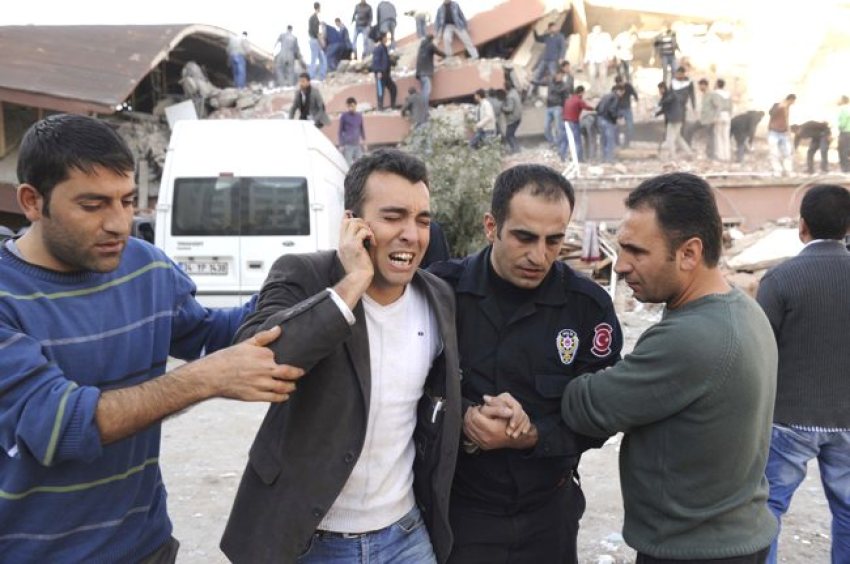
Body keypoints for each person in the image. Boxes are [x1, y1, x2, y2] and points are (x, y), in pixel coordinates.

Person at [0, 114, 302, 562]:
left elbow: (210, 334)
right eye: (93, 205)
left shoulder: (146, 266)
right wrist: (205, 379)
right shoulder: (7, 297)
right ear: (31, 201)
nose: (120, 224)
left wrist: (304, 282)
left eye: (126, 201)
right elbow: (61, 426)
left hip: (147, 547)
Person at [220, 149, 461, 564]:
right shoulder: (302, 274)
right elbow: (261, 359)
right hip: (310, 540)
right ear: (353, 222)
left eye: (422, 220)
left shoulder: (437, 296)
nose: (412, 234)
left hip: (405, 535)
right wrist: (351, 286)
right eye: (393, 217)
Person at [562, 171, 779, 562]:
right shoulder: (742, 310)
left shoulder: (694, 336)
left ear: (689, 254)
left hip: (696, 552)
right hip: (729, 538)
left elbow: (587, 406)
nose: (621, 266)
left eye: (636, 251)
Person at [428, 164, 622, 563]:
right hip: (461, 514)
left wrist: (534, 434)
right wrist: (464, 416)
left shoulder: (587, 307)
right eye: (524, 237)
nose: (539, 255)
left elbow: (604, 413)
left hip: (548, 514)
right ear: (490, 226)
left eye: (554, 240)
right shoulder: (440, 293)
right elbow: (403, 390)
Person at [756, 184, 850, 564]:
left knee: (768, 512)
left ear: (802, 226)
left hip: (789, 420)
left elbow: (759, 352)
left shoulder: (780, 279)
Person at [656, 81, 693, 160]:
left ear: (663, 88)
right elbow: (664, 108)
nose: (659, 91)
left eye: (660, 89)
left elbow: (666, 101)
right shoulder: (666, 96)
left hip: (674, 120)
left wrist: (659, 104)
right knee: (678, 138)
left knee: (670, 139)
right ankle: (689, 153)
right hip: (675, 119)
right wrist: (656, 114)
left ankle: (673, 156)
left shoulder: (671, 94)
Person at [531, 22, 566, 96]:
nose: (554, 29)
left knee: (554, 76)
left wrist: (561, 58)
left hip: (553, 60)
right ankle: (534, 91)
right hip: (545, 59)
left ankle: (556, 92)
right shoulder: (546, 36)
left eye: (555, 27)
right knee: (537, 74)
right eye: (552, 28)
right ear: (549, 29)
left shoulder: (560, 37)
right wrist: (534, 31)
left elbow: (563, 48)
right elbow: (538, 39)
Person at [560, 85, 594, 163]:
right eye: (583, 93)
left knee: (565, 141)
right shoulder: (579, 100)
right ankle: (579, 159)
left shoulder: (568, 100)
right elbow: (587, 107)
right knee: (577, 141)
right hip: (573, 122)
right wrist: (595, 108)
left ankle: (562, 157)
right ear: (581, 93)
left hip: (564, 122)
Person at [768, 94, 797, 176]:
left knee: (787, 153)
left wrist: (789, 132)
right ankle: (777, 170)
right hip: (774, 132)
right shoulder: (778, 105)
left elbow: (786, 120)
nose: (793, 103)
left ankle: (788, 170)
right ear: (790, 100)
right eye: (793, 101)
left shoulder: (787, 107)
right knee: (774, 153)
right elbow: (771, 113)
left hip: (784, 133)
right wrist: (779, 107)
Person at [544, 68, 571, 148]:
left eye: (561, 75)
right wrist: (532, 80)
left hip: (558, 107)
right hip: (549, 107)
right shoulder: (551, 82)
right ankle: (552, 142)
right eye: (558, 75)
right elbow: (540, 82)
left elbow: (566, 99)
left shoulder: (564, 86)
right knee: (546, 127)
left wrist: (565, 109)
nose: (559, 77)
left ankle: (560, 144)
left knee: (558, 127)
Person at [597, 84, 624, 163]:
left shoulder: (605, 96)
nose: (622, 95)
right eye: (622, 93)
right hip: (608, 121)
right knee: (610, 141)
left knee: (603, 140)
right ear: (619, 91)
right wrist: (617, 117)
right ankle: (609, 159)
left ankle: (602, 158)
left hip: (600, 119)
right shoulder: (615, 97)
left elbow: (597, 107)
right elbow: (612, 110)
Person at [416, 33, 446, 104]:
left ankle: (421, 108)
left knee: (424, 91)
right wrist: (446, 55)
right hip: (425, 73)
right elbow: (438, 52)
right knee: (427, 91)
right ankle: (424, 109)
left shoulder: (421, 46)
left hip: (420, 73)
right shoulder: (430, 45)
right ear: (431, 40)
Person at [584, 25, 614, 95]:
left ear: (600, 29)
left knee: (603, 75)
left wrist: (610, 58)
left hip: (603, 59)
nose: (597, 30)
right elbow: (588, 48)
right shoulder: (590, 36)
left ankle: (602, 91)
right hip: (592, 59)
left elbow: (609, 47)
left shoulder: (605, 36)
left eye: (598, 29)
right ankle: (593, 91)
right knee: (592, 75)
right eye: (595, 29)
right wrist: (585, 59)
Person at [371, 32, 397, 111]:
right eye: (386, 37)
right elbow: (376, 60)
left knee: (393, 88)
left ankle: (392, 105)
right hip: (380, 73)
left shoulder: (384, 47)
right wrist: (378, 71)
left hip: (386, 73)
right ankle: (380, 107)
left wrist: (392, 62)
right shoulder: (378, 48)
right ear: (382, 38)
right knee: (380, 91)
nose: (387, 39)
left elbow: (385, 60)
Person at [338, 97, 367, 165]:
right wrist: (341, 144)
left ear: (356, 105)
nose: (351, 108)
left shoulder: (359, 116)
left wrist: (364, 142)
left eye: (352, 106)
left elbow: (361, 129)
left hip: (357, 144)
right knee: (348, 165)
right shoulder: (344, 116)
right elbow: (340, 131)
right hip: (348, 145)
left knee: (360, 164)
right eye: (349, 106)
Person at [711, 79, 733, 161]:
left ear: (717, 84)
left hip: (719, 115)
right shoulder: (728, 94)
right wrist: (730, 115)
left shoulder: (715, 94)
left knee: (718, 136)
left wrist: (715, 117)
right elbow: (731, 107)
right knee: (726, 136)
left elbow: (718, 106)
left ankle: (720, 156)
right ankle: (727, 155)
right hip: (727, 115)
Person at [614, 75, 638, 148]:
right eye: (618, 84)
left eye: (620, 83)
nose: (619, 85)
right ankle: (617, 143)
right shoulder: (615, 88)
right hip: (618, 109)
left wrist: (636, 100)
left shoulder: (628, 86)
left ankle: (627, 143)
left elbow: (634, 93)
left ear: (622, 81)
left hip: (627, 109)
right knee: (615, 126)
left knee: (630, 127)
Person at [501, 81, 523, 154]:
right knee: (511, 135)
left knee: (508, 135)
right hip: (518, 117)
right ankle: (517, 149)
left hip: (512, 119)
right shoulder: (515, 92)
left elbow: (510, 108)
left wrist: (503, 108)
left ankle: (515, 150)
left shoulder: (510, 96)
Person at [308, 3, 327, 80]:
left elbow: (311, 29)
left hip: (312, 40)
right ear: (318, 8)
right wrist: (322, 41)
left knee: (322, 59)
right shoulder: (315, 18)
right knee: (315, 60)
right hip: (315, 41)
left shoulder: (312, 18)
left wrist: (320, 23)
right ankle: (311, 77)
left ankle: (321, 76)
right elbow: (316, 32)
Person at [838, 95, 850, 172]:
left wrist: (840, 127)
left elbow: (842, 122)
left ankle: (845, 169)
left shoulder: (843, 109)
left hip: (845, 132)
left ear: (842, 101)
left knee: (843, 150)